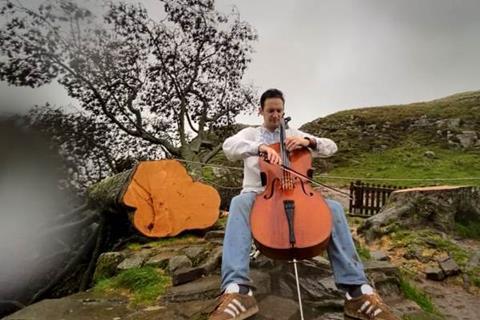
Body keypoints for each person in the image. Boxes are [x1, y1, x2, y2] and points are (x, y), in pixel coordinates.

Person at [209, 89, 399, 320]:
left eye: (279, 110)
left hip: (296, 192)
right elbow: (229, 146)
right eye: (271, 110)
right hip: (259, 194)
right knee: (239, 202)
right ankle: (237, 291)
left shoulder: (293, 134)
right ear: (261, 111)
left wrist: (308, 141)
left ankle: (357, 292)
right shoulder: (250, 133)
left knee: (334, 208)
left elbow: (331, 147)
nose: (276, 115)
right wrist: (259, 148)